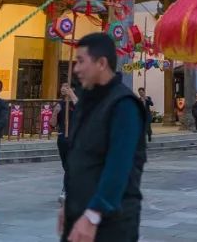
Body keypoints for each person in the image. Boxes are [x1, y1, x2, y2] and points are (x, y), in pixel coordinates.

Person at [59, 33, 146, 242]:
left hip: (110, 222)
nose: (76, 69)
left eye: (81, 61)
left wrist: (92, 215)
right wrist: (68, 205)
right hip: (79, 214)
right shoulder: (86, 102)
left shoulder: (124, 105)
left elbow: (119, 166)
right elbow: (79, 158)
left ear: (101, 63)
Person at [56, 83, 78, 174]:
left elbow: (81, 109)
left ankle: (69, 184)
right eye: (62, 86)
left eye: (66, 86)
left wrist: (71, 94)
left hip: (75, 137)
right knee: (65, 163)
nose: (63, 88)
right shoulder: (60, 104)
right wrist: (55, 113)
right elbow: (52, 124)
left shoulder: (76, 102)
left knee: (73, 163)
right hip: (62, 137)